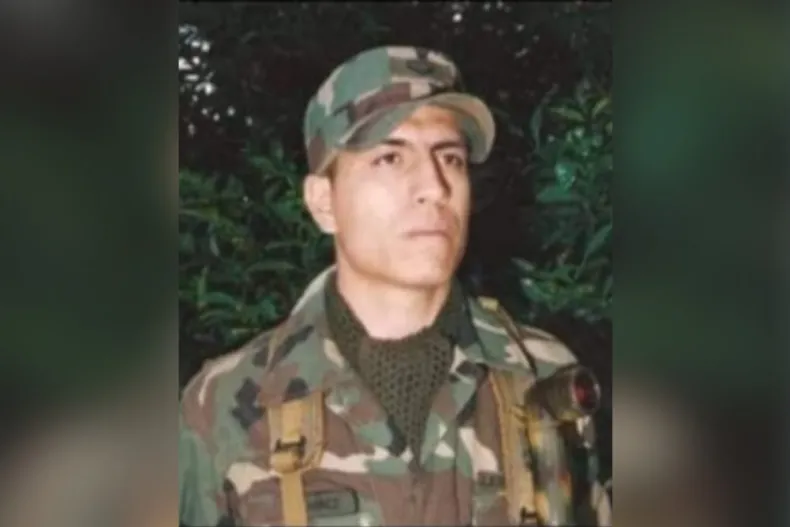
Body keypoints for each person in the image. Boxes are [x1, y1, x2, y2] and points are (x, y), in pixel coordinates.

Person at [179, 45, 611, 526]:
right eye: (389, 158)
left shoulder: (544, 378)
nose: (434, 187)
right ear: (323, 202)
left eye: (451, 158)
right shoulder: (227, 404)